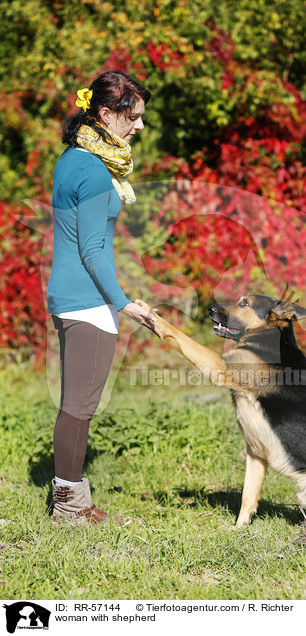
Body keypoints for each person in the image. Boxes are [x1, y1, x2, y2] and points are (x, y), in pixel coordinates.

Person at [47, 70, 159, 525]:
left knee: (77, 402)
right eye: (132, 117)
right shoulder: (94, 170)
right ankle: (70, 507)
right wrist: (124, 302)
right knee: (79, 405)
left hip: (68, 294)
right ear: (105, 113)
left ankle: (68, 496)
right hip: (87, 301)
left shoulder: (73, 159)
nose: (139, 127)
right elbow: (93, 250)